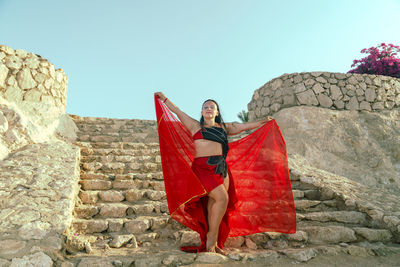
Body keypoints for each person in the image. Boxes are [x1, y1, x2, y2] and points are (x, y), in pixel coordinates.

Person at [155, 92, 274, 253]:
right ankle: (211, 238)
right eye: (205, 107)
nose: (209, 109)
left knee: (214, 204)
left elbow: (243, 126)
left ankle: (213, 243)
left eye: (212, 107)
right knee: (222, 198)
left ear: (217, 112)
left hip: (221, 169)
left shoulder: (225, 128)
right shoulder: (195, 126)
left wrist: (263, 122)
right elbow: (177, 111)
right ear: (202, 111)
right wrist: (164, 99)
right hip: (202, 169)